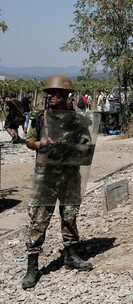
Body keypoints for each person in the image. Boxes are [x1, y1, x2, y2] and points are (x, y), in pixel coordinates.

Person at [22, 75, 94, 290]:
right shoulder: (40, 118)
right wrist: (40, 143)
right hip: (46, 177)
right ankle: (32, 267)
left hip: (70, 176)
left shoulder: (79, 120)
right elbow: (28, 142)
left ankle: (71, 255)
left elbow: (86, 146)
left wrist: (76, 148)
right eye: (49, 93)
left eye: (55, 93)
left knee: (70, 216)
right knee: (38, 220)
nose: (50, 96)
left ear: (65, 95)